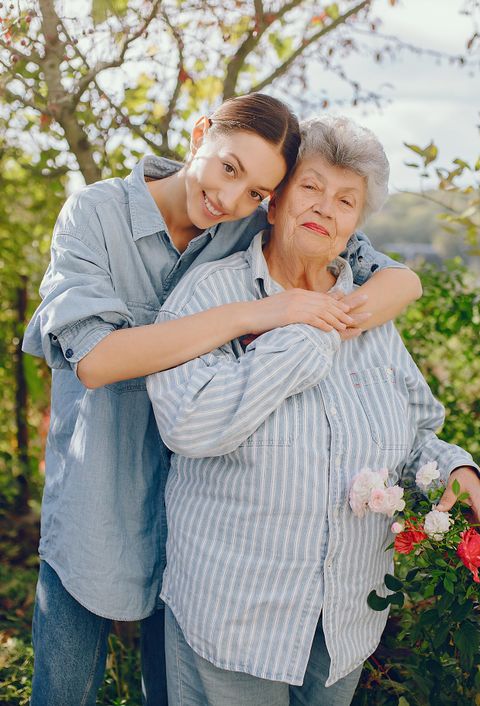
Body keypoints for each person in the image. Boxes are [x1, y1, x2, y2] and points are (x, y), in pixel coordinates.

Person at [22, 95, 422, 706]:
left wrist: (390, 291)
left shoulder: (244, 215)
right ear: (200, 132)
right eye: (229, 168)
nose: (233, 199)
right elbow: (98, 360)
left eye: (260, 190)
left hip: (201, 515)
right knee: (65, 688)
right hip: (105, 488)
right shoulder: (97, 213)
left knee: (174, 687)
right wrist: (260, 312)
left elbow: (383, 270)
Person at [147, 115, 480, 706]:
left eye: (345, 200)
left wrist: (454, 466)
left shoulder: (369, 309)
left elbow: (412, 430)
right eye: (311, 187)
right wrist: (311, 330)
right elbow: (190, 426)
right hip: (232, 619)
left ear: (356, 225)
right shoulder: (211, 294)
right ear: (276, 199)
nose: (325, 208)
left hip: (343, 622)